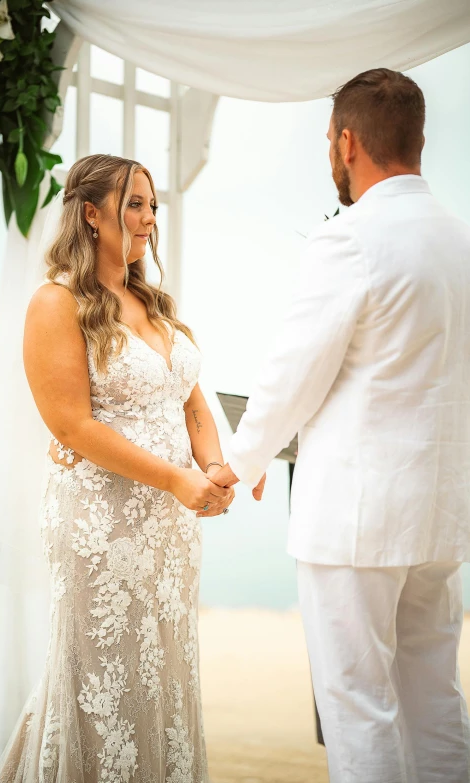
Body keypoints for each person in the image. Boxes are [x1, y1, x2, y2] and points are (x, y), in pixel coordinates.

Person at [213, 68, 470, 782]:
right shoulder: (462, 241)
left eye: (330, 139)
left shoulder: (351, 240)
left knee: (358, 707)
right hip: (442, 515)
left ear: (347, 142)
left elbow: (294, 371)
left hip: (356, 522)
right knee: (434, 696)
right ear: (419, 139)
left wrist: (241, 459)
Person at [0, 154, 235, 781]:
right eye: (135, 203)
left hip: (171, 529)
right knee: (105, 675)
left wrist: (212, 467)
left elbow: (192, 400)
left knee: (166, 672)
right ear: (90, 214)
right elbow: (71, 426)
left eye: (153, 205)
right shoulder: (56, 303)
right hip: (102, 526)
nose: (149, 218)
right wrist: (178, 478)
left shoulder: (152, 305)